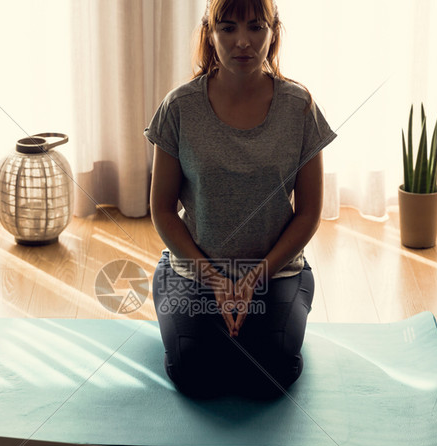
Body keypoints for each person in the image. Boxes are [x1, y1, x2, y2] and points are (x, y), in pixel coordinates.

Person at [144, 0, 336, 399]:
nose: (243, 42)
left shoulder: (300, 107)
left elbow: (310, 213)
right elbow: (162, 210)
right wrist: (214, 278)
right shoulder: (179, 107)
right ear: (210, 35)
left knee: (272, 375)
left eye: (256, 27)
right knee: (192, 372)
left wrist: (253, 279)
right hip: (194, 270)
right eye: (228, 28)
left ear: (273, 32)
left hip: (276, 271)